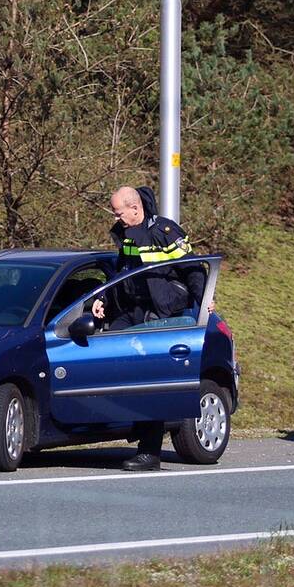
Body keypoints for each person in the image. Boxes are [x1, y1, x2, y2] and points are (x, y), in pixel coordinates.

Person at [92, 185, 205, 472]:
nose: (116, 218)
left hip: (160, 313)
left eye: (119, 213)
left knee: (148, 378)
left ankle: (149, 452)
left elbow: (192, 269)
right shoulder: (126, 233)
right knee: (111, 364)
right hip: (130, 310)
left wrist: (205, 302)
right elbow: (122, 271)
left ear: (134, 208)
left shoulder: (165, 232)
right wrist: (102, 298)